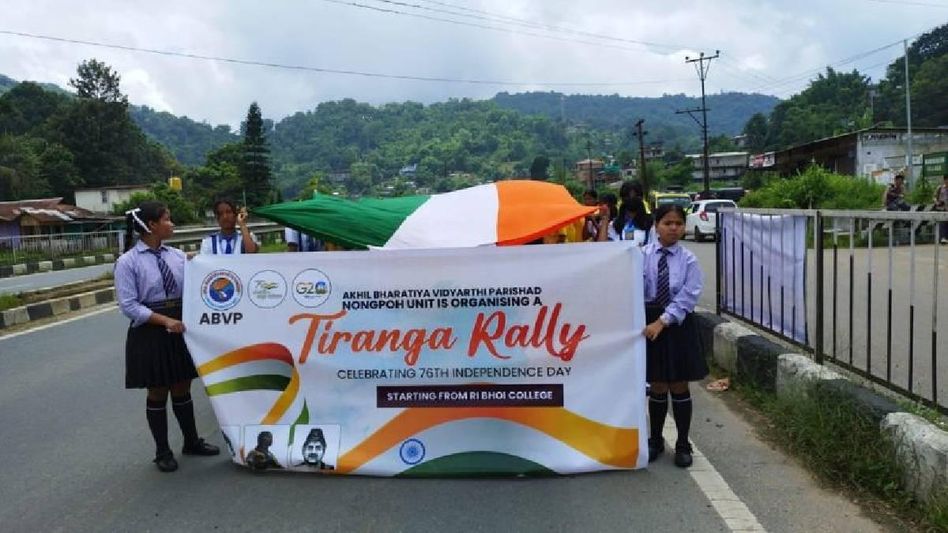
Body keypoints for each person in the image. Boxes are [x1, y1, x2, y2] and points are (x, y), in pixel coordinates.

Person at [115, 201, 220, 473]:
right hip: (151, 330)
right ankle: (162, 450)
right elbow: (129, 305)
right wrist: (165, 321)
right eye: (167, 219)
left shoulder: (177, 256)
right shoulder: (127, 262)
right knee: (158, 389)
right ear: (152, 225)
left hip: (179, 326)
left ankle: (191, 441)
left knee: (183, 386)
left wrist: (202, 266)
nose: (172, 224)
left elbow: (196, 286)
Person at [641, 204, 706, 468]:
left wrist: (663, 321)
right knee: (657, 384)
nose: (673, 228)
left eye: (678, 223)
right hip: (649, 324)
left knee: (679, 384)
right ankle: (655, 440)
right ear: (656, 225)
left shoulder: (689, 260)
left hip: (677, 325)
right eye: (667, 223)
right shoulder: (641, 255)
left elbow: (689, 295)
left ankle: (682, 443)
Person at [934, 175, 948, 244]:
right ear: (944, 180)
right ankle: (943, 238)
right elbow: (934, 197)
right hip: (942, 208)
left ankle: (944, 238)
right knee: (942, 223)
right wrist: (937, 202)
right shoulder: (940, 188)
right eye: (946, 180)